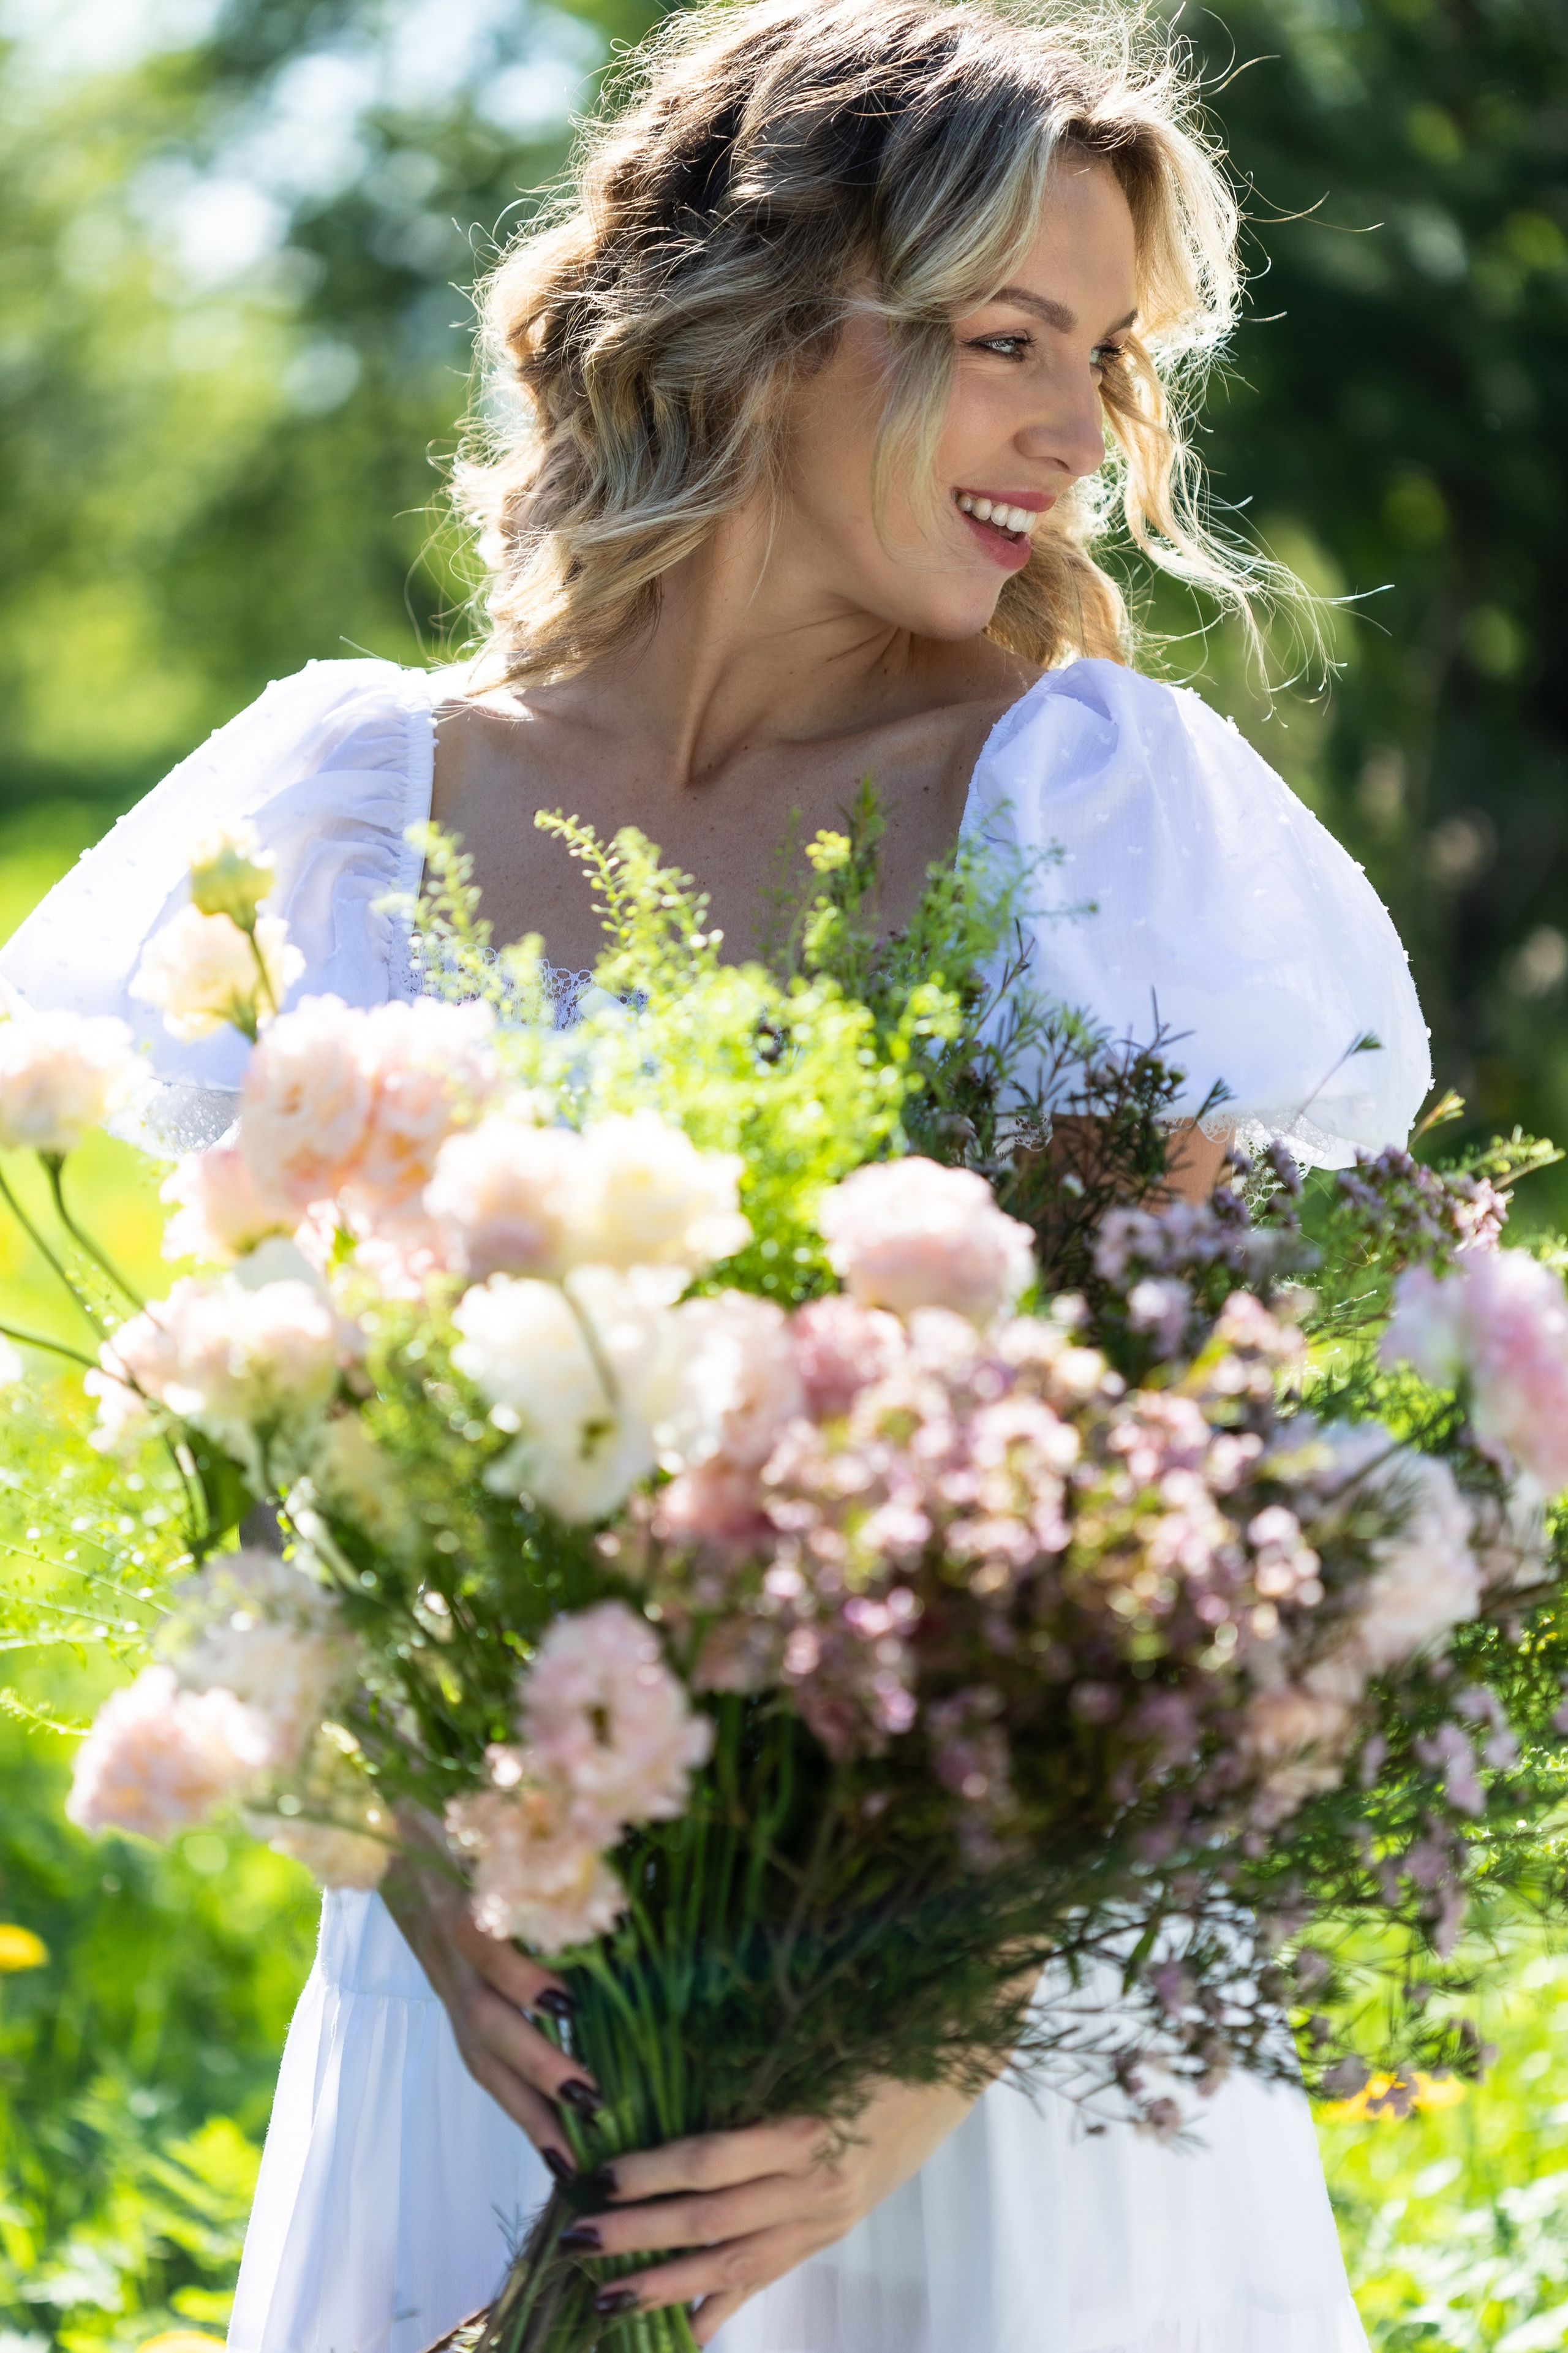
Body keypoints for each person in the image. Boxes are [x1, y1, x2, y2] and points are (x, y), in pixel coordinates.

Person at [0, 2, 1433, 2347]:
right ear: (762, 331)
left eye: (1107, 356)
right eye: (1003, 341)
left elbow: (1203, 1503)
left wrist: (912, 2072)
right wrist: (417, 1852)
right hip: (498, 2031)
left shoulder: (1087, 814)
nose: (1079, 434)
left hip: (961, 2087)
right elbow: (258, 1446)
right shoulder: (352, 807)